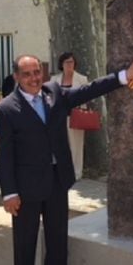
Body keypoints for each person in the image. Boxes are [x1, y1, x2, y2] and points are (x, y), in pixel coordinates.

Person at [0, 53, 133, 265]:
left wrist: (125, 76)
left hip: (56, 181)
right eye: (27, 74)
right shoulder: (6, 108)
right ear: (17, 77)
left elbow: (89, 90)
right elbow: (5, 153)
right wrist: (9, 193)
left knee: (57, 240)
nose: (34, 78)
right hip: (26, 188)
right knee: (25, 243)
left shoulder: (54, 93)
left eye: (37, 72)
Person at [50, 52, 89, 180]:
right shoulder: (54, 80)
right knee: (59, 144)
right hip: (58, 118)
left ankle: (76, 173)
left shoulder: (82, 79)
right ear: (62, 64)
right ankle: (60, 170)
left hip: (75, 117)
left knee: (76, 145)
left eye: (71, 62)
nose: (69, 65)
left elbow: (86, 97)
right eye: (67, 62)